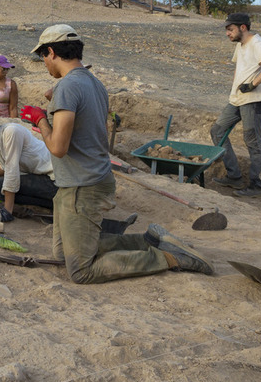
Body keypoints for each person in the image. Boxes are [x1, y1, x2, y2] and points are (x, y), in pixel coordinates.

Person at [19, 23, 213, 283]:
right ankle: (148, 240)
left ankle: (169, 258)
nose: (44, 63)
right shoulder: (94, 84)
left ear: (51, 52)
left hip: (81, 186)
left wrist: (40, 119)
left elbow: (58, 147)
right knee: (63, 253)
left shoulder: (67, 88)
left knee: (80, 271)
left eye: (43, 56)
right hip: (86, 180)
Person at [0, 99, 136, 234]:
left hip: (60, 179)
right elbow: (3, 167)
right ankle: (58, 206)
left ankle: (72, 209)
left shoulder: (10, 132)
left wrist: (6, 211)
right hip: (46, 178)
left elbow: (11, 173)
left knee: (5, 186)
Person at [210, 12, 261, 198]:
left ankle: (258, 186)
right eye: (227, 30)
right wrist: (234, 90)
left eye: (230, 29)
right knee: (217, 131)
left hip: (253, 99)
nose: (227, 33)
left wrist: (253, 84)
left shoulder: (257, 42)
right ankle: (234, 176)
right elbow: (239, 68)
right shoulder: (241, 46)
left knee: (252, 142)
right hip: (237, 99)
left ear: (243, 27)